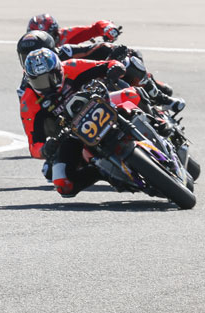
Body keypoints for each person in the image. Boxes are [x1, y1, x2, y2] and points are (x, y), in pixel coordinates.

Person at [21, 48, 132, 197]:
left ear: (59, 69)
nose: (46, 86)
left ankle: (160, 121)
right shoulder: (29, 102)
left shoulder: (72, 67)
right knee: (63, 184)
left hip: (103, 106)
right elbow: (34, 145)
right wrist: (46, 149)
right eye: (39, 81)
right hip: (73, 134)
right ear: (29, 80)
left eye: (50, 78)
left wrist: (115, 68)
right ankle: (103, 171)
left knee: (130, 94)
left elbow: (108, 64)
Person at [15, 30, 184, 111]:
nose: (36, 59)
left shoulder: (65, 53)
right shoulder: (27, 85)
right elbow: (32, 118)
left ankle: (160, 98)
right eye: (26, 56)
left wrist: (115, 50)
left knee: (130, 60)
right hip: (70, 115)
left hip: (100, 87)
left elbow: (95, 49)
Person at [27, 13, 122, 46]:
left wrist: (108, 28)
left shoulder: (64, 36)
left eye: (47, 36)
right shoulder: (28, 52)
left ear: (55, 33)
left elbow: (95, 28)